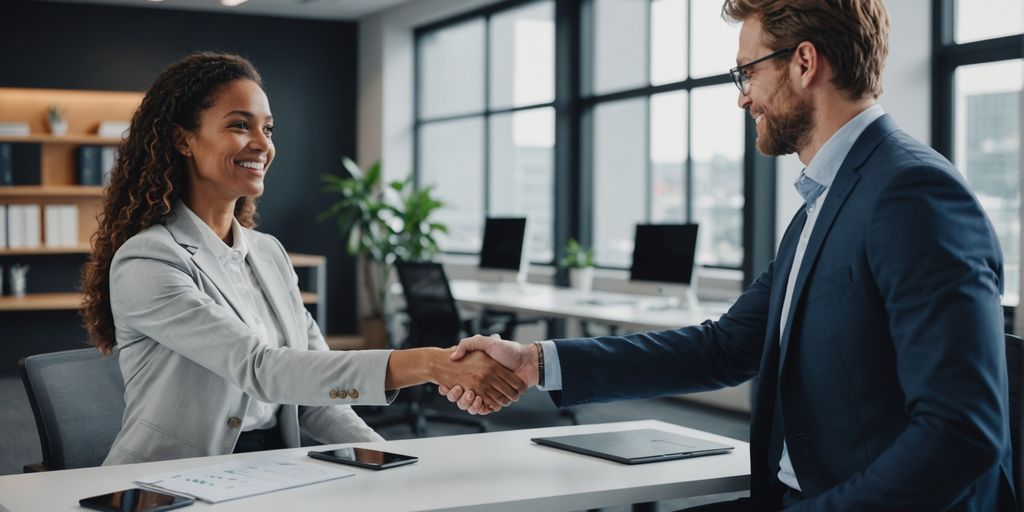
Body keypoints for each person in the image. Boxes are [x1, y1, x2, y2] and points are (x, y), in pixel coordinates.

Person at [440, 1, 1016, 510]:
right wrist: (536, 361)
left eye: (747, 71)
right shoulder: (830, 196)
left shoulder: (911, 194)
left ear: (804, 62)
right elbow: (725, 346)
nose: (743, 95)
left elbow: (960, 434)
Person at [79, 51, 525, 465]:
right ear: (182, 140)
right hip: (172, 480)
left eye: (267, 129)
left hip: (272, 465)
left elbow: (316, 392)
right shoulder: (148, 259)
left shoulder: (269, 254)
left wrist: (384, 458)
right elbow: (262, 369)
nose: (262, 144)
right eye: (239, 125)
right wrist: (429, 363)